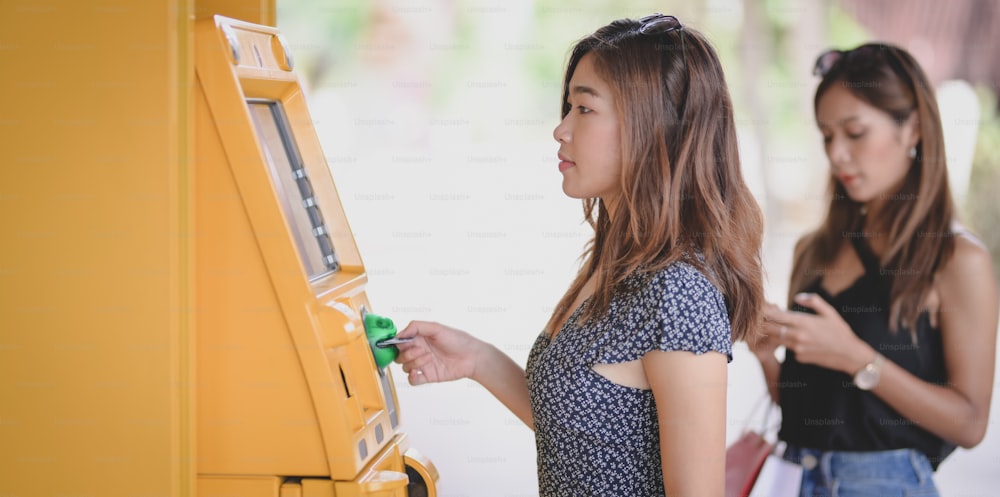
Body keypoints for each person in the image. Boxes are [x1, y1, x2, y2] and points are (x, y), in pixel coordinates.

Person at [392, 14, 764, 497]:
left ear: (653, 125)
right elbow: (583, 431)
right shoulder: (619, 259)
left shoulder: (678, 292)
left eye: (584, 110)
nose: (560, 130)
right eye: (568, 107)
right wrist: (478, 359)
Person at [751, 42, 999, 497]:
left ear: (914, 129)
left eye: (855, 132)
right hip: (793, 480)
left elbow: (970, 424)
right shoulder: (814, 250)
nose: (838, 154)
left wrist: (856, 358)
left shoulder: (957, 260)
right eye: (827, 136)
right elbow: (814, 413)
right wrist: (768, 358)